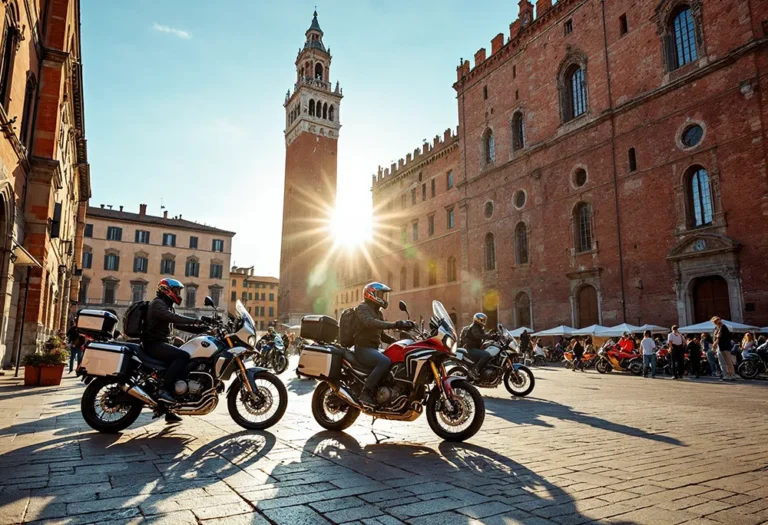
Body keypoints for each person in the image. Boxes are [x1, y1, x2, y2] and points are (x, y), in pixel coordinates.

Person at [143, 278, 208, 419]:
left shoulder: (166, 305)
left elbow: (178, 325)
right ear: (167, 290)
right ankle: (164, 390)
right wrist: (196, 320)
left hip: (161, 342)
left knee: (185, 362)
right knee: (182, 356)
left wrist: (203, 329)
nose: (178, 294)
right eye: (176, 291)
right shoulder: (158, 304)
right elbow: (174, 318)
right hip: (154, 344)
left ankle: (169, 409)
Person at [354, 282, 415, 408]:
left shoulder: (378, 312)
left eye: (383, 295)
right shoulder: (363, 308)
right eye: (380, 294)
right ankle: (366, 392)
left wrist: (396, 342)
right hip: (363, 348)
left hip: (373, 349)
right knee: (384, 362)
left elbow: (381, 335)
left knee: (393, 360)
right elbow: (370, 323)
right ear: (371, 294)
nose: (383, 297)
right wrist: (394, 324)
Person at [465, 313, 492, 377]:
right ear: (478, 320)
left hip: (476, 348)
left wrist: (492, 336)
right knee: (486, 355)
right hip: (471, 349)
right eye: (483, 320)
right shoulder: (474, 326)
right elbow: (478, 335)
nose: (484, 322)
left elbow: (484, 336)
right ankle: (475, 370)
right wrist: (489, 336)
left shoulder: (480, 327)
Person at [712, 316, 736, 381]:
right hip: (719, 347)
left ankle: (732, 375)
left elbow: (719, 337)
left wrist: (714, 344)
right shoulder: (716, 328)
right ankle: (726, 375)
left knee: (728, 361)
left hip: (725, 346)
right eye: (715, 321)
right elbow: (716, 337)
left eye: (717, 320)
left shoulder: (723, 327)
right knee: (722, 362)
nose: (716, 322)